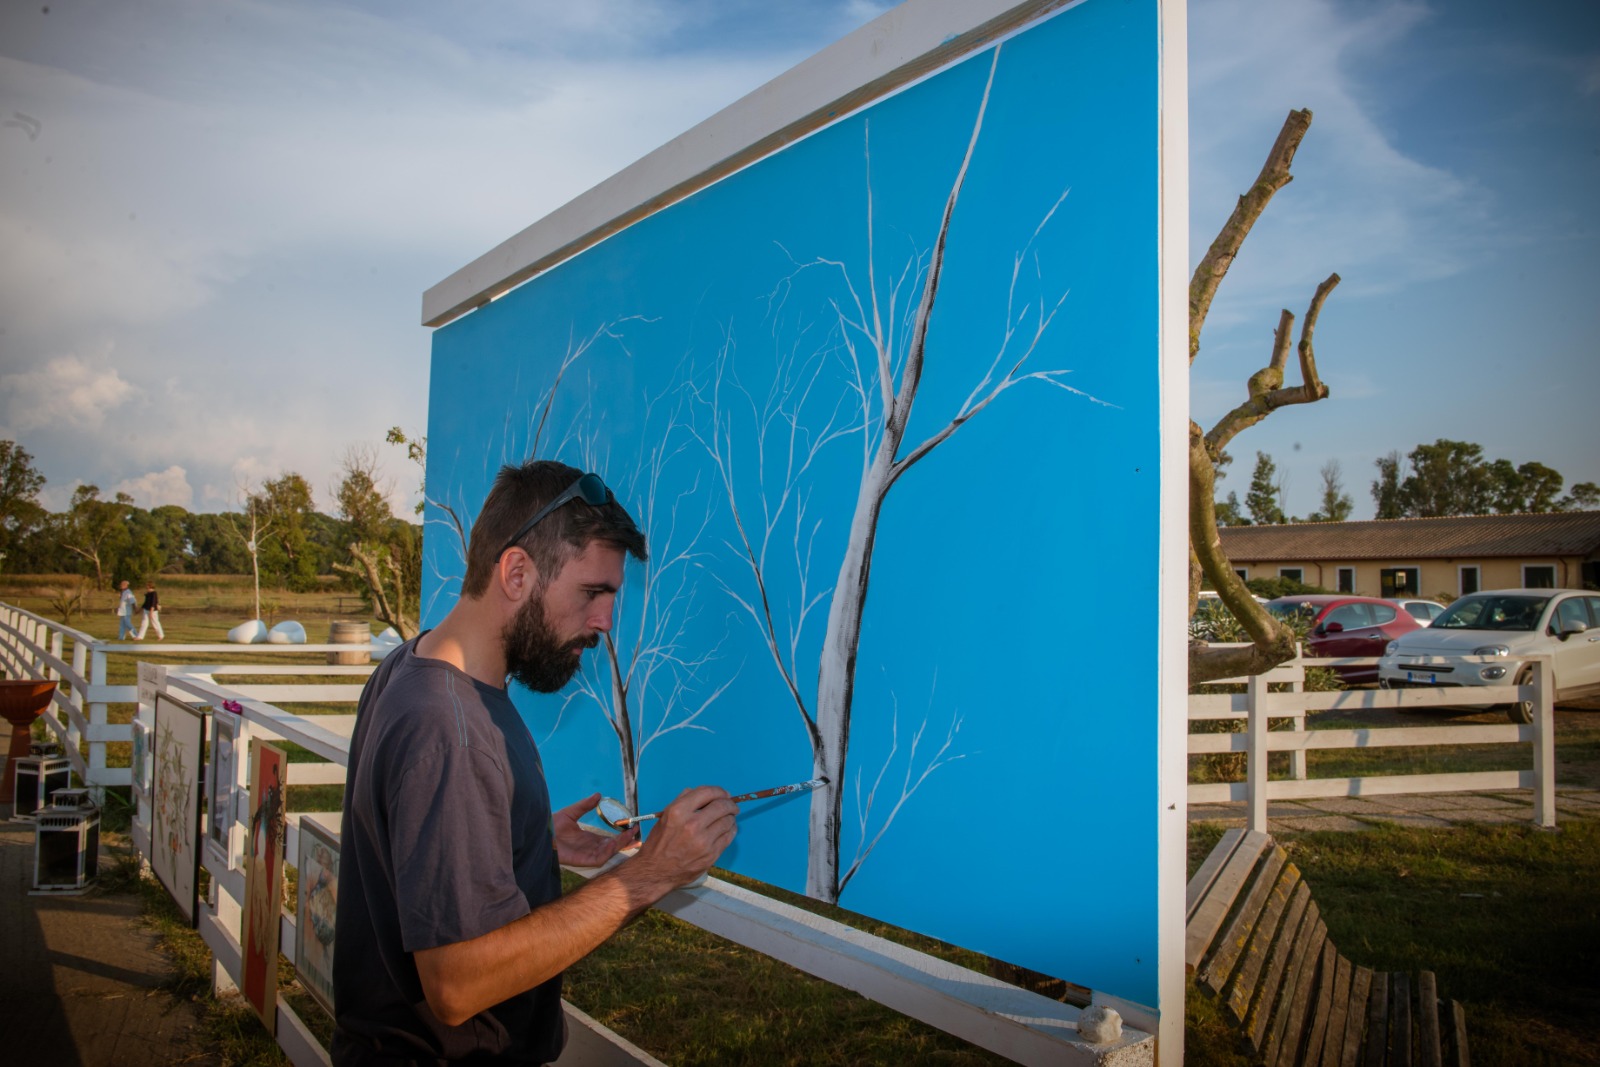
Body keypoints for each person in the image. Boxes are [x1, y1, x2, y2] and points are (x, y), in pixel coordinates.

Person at [332, 459, 737, 1066]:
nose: (604, 621)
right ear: (517, 572)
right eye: (592, 592)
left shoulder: (410, 667)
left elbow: (412, 846)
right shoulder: (451, 731)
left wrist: (524, 843)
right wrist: (650, 874)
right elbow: (456, 984)